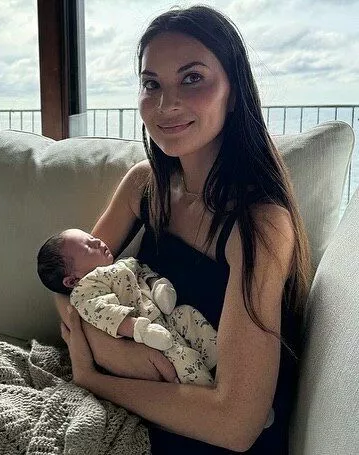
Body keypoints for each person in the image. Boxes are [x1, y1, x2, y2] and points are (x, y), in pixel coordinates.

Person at [55, 5, 311, 454]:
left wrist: (94, 377)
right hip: (133, 407)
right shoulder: (144, 185)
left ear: (234, 91)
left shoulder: (260, 224)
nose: (165, 104)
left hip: (203, 437)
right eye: (151, 84)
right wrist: (119, 353)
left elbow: (236, 424)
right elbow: (68, 283)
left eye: (192, 78)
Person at [37, 228, 219, 385]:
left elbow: (143, 271)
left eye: (93, 238)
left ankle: (220, 361)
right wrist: (140, 330)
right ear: (72, 280)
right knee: (181, 357)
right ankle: (204, 390)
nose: (98, 242)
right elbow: (107, 315)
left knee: (187, 314)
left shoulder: (123, 263)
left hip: (164, 314)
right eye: (89, 247)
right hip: (146, 335)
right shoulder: (86, 290)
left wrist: (157, 285)